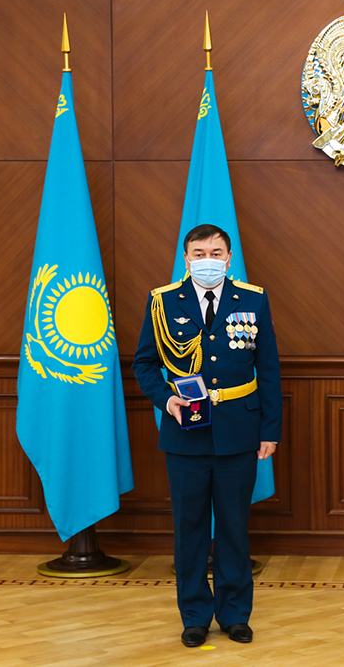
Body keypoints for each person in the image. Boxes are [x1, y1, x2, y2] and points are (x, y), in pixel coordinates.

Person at [132, 223, 281, 648]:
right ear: (186, 258)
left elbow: (268, 368)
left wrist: (270, 430)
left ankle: (235, 614)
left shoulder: (252, 299)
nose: (208, 260)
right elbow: (144, 363)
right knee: (190, 528)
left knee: (234, 527)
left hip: (239, 431)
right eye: (199, 253)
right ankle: (195, 615)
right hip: (186, 434)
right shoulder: (163, 301)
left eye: (216, 253)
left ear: (229, 258)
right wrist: (166, 400)